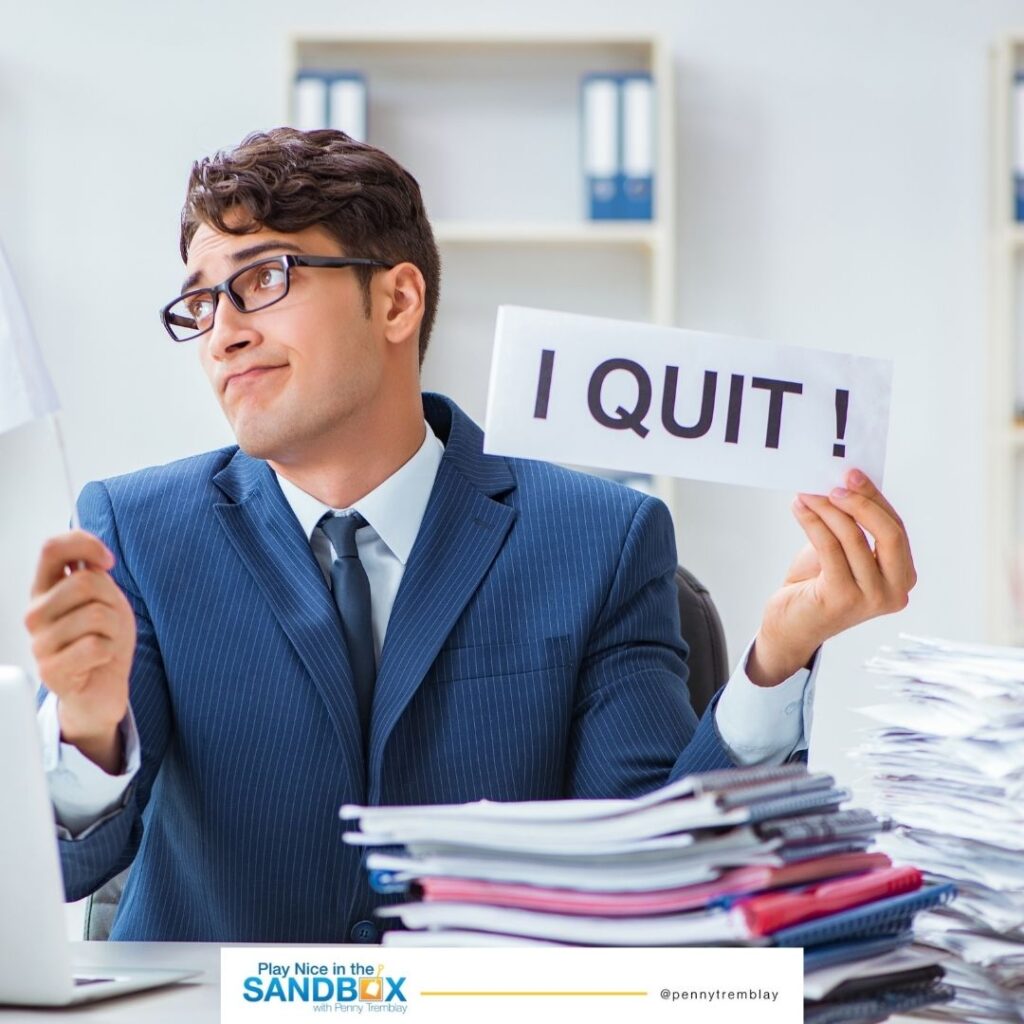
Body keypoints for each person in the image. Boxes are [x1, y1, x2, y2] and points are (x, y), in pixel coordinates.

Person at [24, 128, 916, 942]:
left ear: (396, 301)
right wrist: (88, 730)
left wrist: (776, 661)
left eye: (264, 280)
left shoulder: (600, 539)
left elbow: (653, 873)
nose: (221, 334)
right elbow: (62, 869)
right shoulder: (137, 532)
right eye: (200, 304)